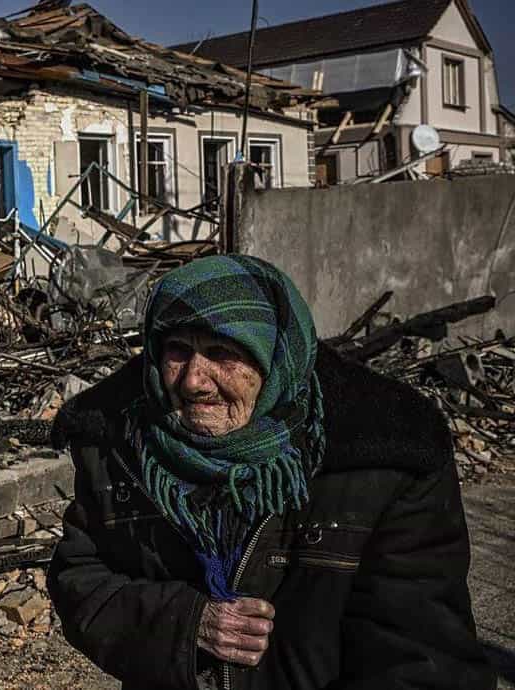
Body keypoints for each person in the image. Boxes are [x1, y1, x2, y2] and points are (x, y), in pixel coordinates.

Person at [47, 254, 494, 690]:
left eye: (222, 352)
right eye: (178, 351)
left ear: (274, 356)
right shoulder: (122, 446)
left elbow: (422, 655)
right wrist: (183, 624)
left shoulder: (386, 458)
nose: (192, 381)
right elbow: (81, 578)